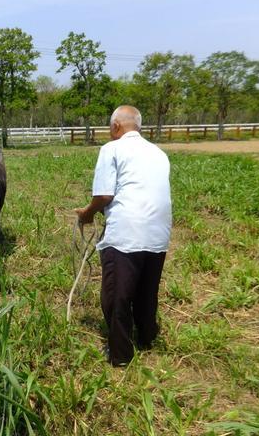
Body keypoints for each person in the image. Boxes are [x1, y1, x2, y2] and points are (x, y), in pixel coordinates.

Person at [75, 105, 172, 367]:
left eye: (110, 127)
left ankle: (120, 355)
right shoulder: (159, 153)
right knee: (146, 290)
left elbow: (105, 194)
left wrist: (87, 213)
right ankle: (147, 337)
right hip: (159, 233)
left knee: (116, 295)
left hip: (126, 232)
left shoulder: (112, 149)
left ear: (116, 126)